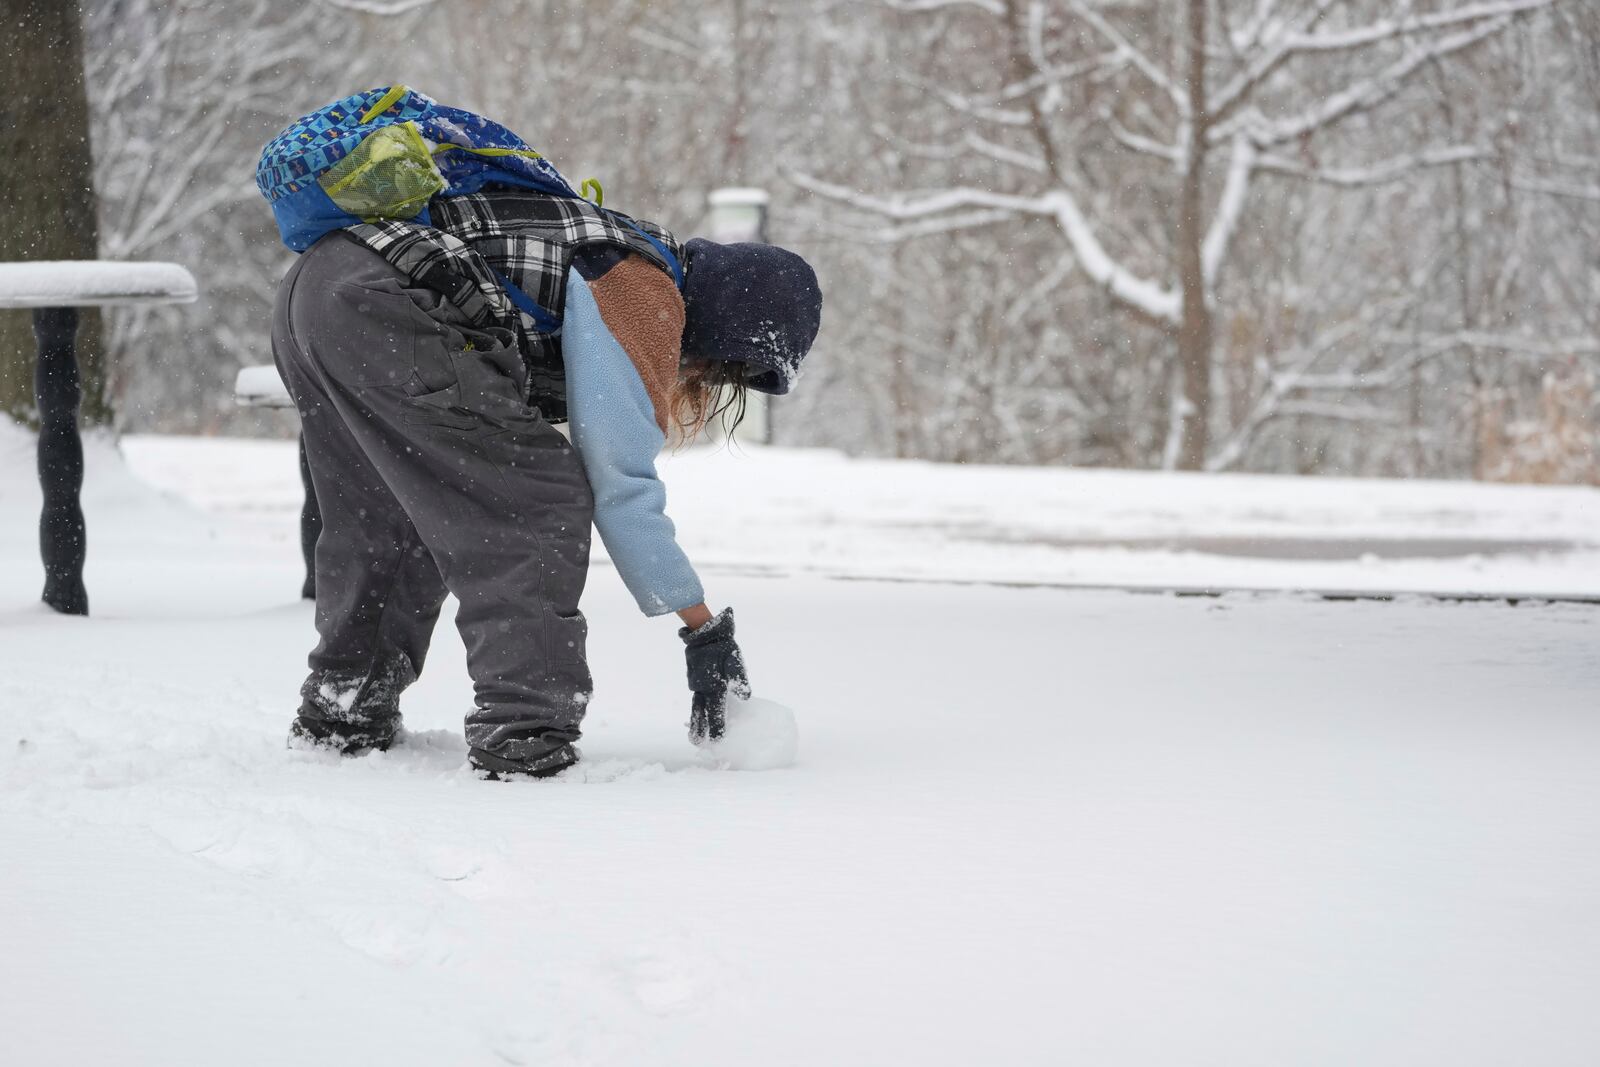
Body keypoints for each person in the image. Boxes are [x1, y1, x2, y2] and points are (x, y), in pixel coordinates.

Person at [268, 183, 822, 778]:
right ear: (730, 322)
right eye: (728, 365)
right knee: (539, 499)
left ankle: (346, 710)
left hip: (319, 291)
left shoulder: (621, 249)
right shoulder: (644, 295)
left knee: (389, 515)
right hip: (390, 304)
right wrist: (703, 630)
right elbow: (621, 491)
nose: (708, 376)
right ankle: (525, 735)